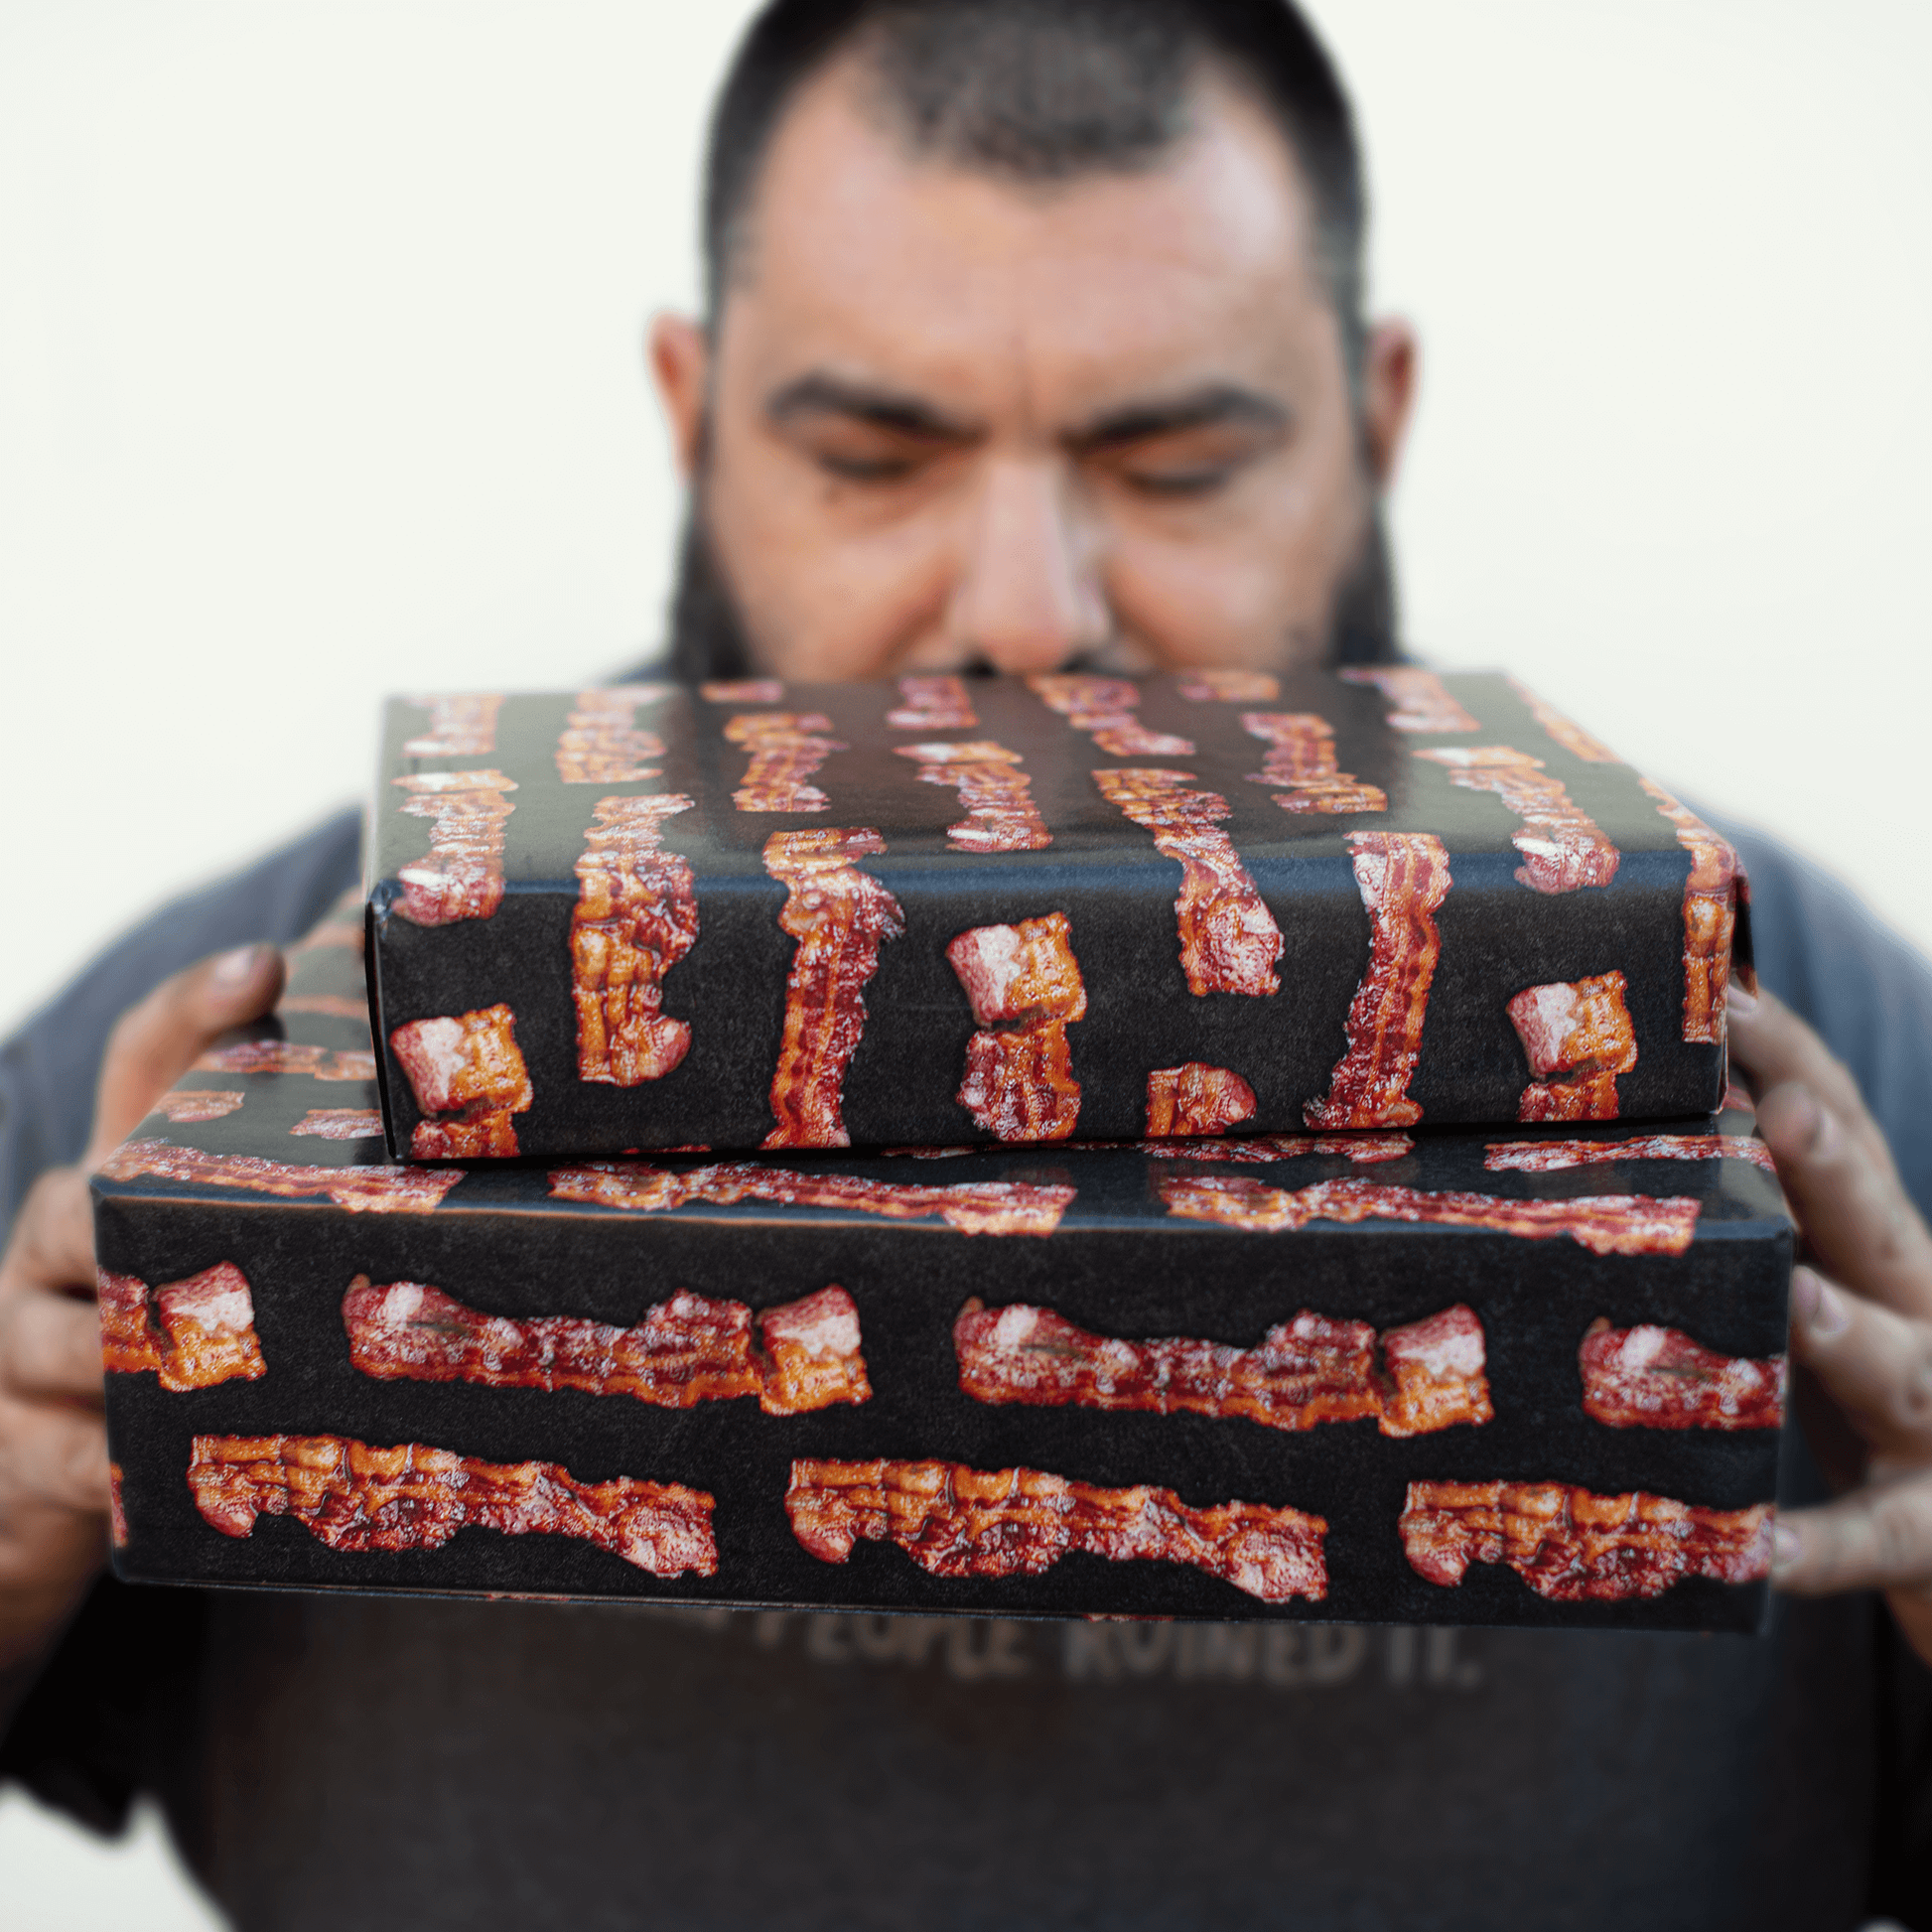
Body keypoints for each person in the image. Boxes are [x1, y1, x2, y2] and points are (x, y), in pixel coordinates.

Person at [5, 2, 1932, 1924]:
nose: (1025, 613)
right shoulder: (243, 1032)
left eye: (1175, 461)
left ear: (1375, 423)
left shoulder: (1795, 1043)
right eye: (874, 455)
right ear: (693, 418)